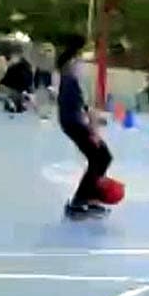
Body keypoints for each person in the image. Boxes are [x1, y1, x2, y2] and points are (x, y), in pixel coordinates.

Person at [55, 35, 113, 219]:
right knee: (100, 157)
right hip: (74, 121)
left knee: (101, 158)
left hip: (70, 119)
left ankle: (89, 199)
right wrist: (93, 130)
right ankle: (79, 202)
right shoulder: (74, 68)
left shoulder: (68, 65)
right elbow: (83, 101)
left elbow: (80, 101)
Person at [0, 51, 34, 116]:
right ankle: (16, 103)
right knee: (17, 102)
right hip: (18, 88)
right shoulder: (23, 67)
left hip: (17, 88)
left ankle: (16, 103)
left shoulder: (17, 67)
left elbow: (6, 79)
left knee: (16, 100)